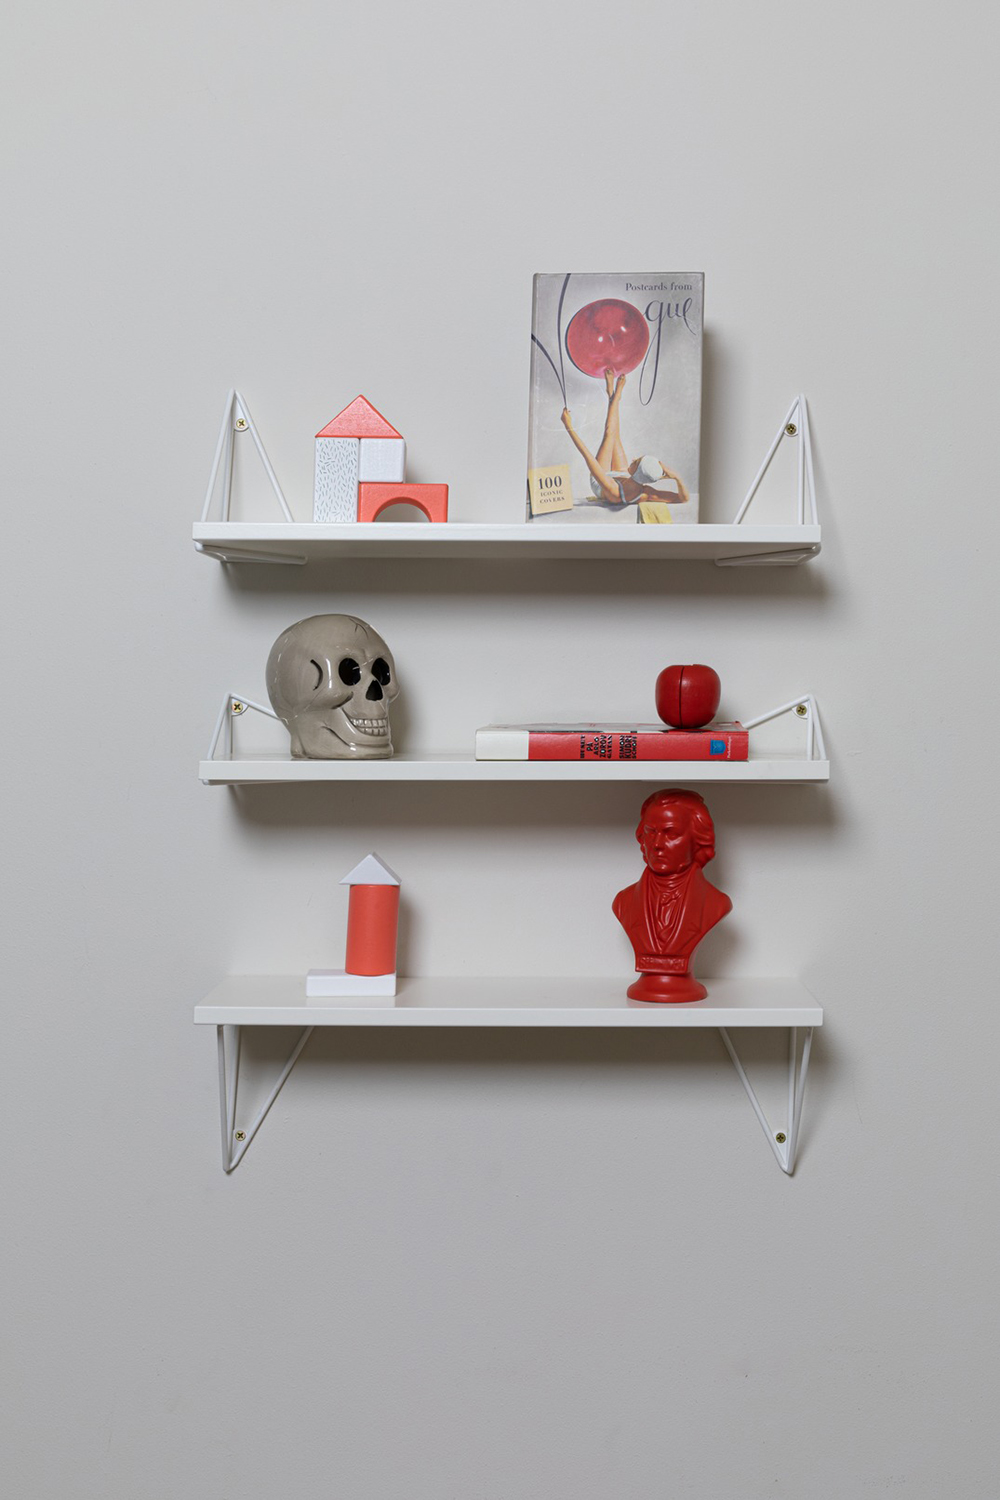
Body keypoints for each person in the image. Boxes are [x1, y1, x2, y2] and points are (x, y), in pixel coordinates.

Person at [612, 789, 731, 1002]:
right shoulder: (623, 901)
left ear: (697, 840)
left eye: (672, 834)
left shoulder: (716, 903)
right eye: (651, 832)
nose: (657, 844)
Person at [560, 371, 690, 511]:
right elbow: (683, 499)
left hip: (602, 482)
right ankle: (613, 397)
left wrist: (568, 427)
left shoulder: (614, 491)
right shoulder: (646, 493)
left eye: (636, 462)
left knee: (609, 434)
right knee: (615, 434)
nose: (632, 459)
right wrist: (677, 477)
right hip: (623, 477)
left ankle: (614, 397)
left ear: (637, 472)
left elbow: (587, 457)